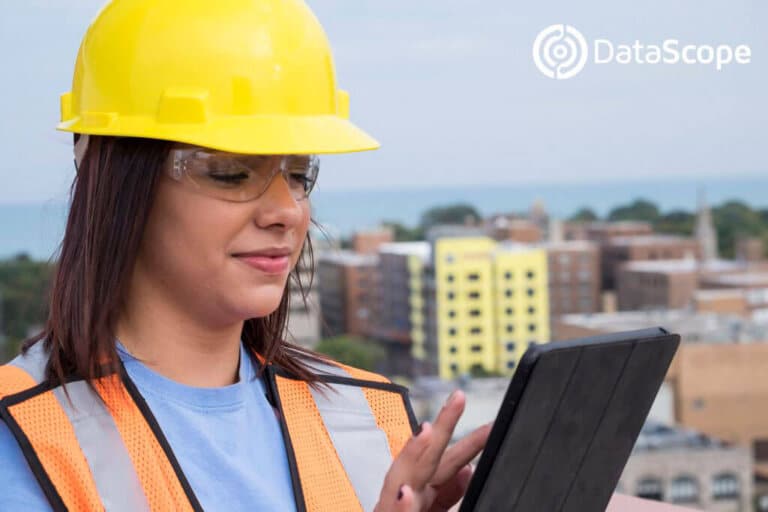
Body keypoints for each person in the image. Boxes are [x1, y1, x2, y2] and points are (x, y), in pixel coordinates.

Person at [0, 1, 491, 511]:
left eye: (299, 174)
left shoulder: (372, 422)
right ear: (116, 182)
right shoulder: (26, 439)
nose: (288, 210)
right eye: (231, 172)